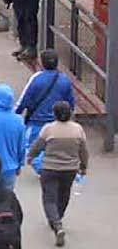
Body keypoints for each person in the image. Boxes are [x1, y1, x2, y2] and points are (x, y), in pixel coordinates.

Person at [27, 101, 88, 246]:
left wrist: (30, 156)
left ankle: (56, 224)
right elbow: (83, 151)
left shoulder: (48, 129)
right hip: (70, 169)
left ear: (54, 114)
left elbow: (38, 146)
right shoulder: (78, 130)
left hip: (50, 168)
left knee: (49, 198)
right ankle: (58, 217)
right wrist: (83, 166)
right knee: (64, 195)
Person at [16, 48, 76, 173]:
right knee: (53, 149)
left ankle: (44, 171)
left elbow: (24, 99)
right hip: (56, 122)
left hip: (36, 122)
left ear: (42, 63)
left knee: (31, 149)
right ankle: (52, 168)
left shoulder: (36, 78)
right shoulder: (64, 80)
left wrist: (15, 114)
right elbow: (70, 102)